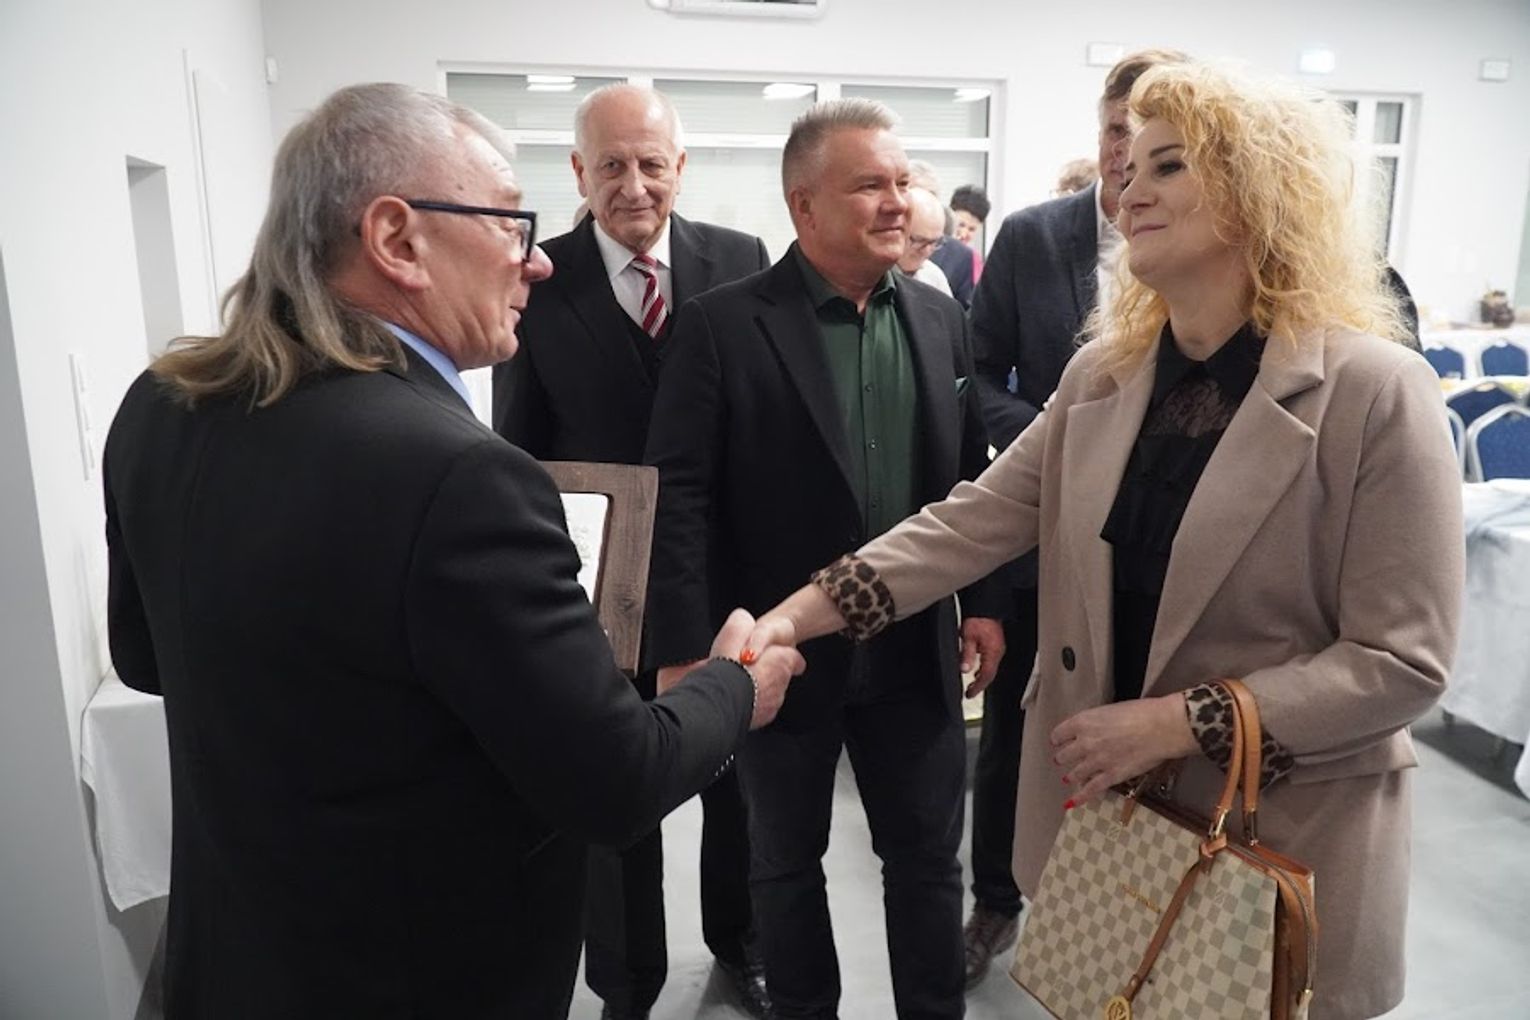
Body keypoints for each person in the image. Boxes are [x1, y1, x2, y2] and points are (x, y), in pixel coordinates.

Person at [748, 62, 1462, 1020]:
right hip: (1112, 836)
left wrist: (1177, 723)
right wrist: (794, 616)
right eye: (1130, 163)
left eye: (1169, 165)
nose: (1129, 185)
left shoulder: (1375, 392)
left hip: (1278, 841)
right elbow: (968, 522)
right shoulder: (1103, 377)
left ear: (1258, 193)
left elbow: (1401, 661)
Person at [103, 82, 804, 1020]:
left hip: (229, 960)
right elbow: (617, 781)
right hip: (413, 973)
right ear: (397, 241)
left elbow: (144, 657)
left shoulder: (161, 405)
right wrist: (736, 683)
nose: (537, 261)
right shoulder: (461, 477)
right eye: (511, 223)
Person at [643, 98, 1006, 1019]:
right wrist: (684, 650)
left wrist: (987, 601)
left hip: (915, 652)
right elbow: (679, 499)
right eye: (870, 185)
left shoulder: (940, 319)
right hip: (781, 655)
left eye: (903, 181)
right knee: (784, 864)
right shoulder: (723, 326)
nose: (897, 202)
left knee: (927, 862)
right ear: (803, 205)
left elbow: (976, 486)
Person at [491, 82, 773, 1020]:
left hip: (722, 576)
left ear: (680, 168)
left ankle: (740, 941)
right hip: (594, 586)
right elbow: (521, 449)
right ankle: (626, 982)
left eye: (652, 163)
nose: (634, 185)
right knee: (615, 787)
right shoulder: (540, 278)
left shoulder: (740, 260)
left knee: (734, 778)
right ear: (579, 172)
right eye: (611, 165)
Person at [958, 47, 1185, 988]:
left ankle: (1138, 920)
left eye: (1154, 138)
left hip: (1155, 542)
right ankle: (997, 900)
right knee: (1018, 734)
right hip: (1043, 527)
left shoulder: (1198, 240)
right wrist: (1064, 450)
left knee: (1141, 727)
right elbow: (978, 374)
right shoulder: (1034, 236)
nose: (1127, 154)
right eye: (1116, 131)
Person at [896, 185, 954, 297]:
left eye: (934, 242)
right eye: (919, 240)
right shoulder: (872, 276)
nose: (927, 250)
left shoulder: (934, 278)